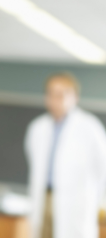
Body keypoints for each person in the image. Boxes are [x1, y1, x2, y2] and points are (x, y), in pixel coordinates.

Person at [24, 72, 106, 238]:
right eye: (51, 93)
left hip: (77, 201)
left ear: (74, 96)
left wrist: (100, 202)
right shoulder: (37, 128)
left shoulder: (90, 128)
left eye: (61, 94)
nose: (55, 99)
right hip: (43, 197)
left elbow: (103, 168)